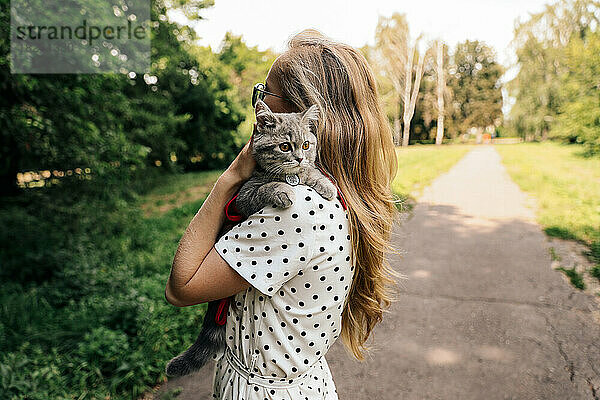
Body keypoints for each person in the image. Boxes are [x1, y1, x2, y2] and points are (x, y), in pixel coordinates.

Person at [165, 29, 399, 400]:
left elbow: (181, 288)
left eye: (265, 92)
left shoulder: (296, 209)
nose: (259, 102)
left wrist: (230, 178)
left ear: (292, 110)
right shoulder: (332, 188)